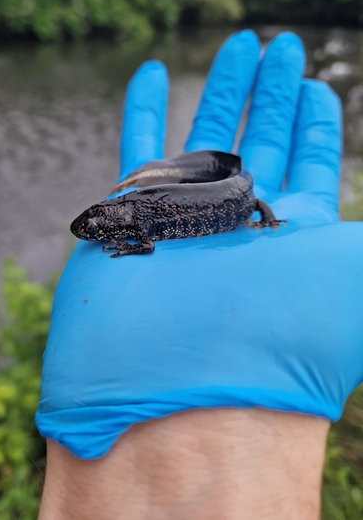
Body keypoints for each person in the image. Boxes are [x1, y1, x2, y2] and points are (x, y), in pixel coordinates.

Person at [36, 30, 363, 519]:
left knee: (242, 191)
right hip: (211, 188)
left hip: (238, 190)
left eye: (94, 228)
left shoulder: (147, 222)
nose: (87, 233)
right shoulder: (127, 214)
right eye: (92, 228)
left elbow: (147, 239)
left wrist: (265, 219)